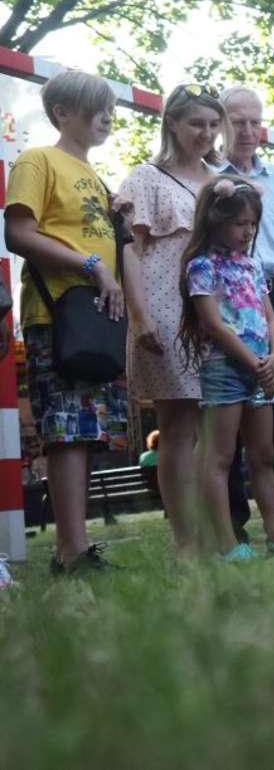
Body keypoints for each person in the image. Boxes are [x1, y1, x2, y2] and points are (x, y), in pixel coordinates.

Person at [3, 70, 128, 574]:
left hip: (100, 315)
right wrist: (91, 266)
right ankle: (71, 553)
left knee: (88, 430)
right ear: (62, 114)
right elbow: (17, 233)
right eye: (97, 109)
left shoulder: (97, 176)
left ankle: (77, 549)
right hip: (57, 311)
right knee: (65, 429)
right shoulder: (37, 160)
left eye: (110, 109)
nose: (108, 118)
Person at [119, 82, 226, 557]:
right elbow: (130, 250)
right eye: (195, 123)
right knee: (178, 428)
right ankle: (186, 541)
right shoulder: (145, 178)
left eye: (212, 124)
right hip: (167, 309)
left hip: (221, 312)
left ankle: (217, 532)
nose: (205, 133)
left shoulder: (223, 181)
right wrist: (140, 317)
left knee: (217, 426)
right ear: (172, 124)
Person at [176, 176, 274, 560]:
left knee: (264, 456)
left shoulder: (252, 265)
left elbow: (270, 318)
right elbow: (213, 323)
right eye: (239, 224)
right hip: (225, 370)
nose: (247, 232)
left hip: (262, 368)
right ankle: (228, 543)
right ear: (215, 220)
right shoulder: (201, 266)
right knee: (220, 457)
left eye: (251, 224)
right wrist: (254, 362)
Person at [218, 86, 274, 539]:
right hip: (227, 299)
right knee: (227, 409)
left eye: (255, 121)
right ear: (221, 123)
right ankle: (233, 528)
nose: (248, 131)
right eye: (238, 121)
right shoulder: (207, 178)